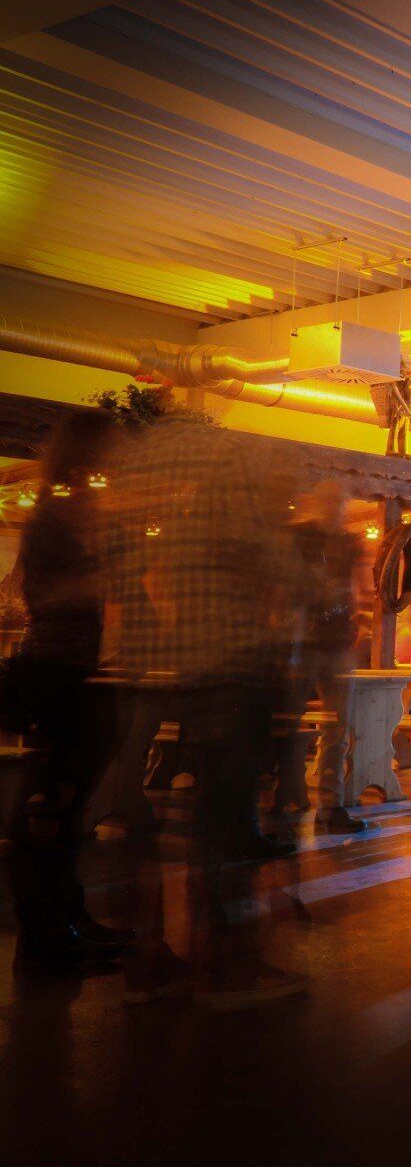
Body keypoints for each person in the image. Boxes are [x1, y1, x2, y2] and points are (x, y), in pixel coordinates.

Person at [105, 408, 304, 1006]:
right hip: (234, 673)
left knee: (201, 822)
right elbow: (283, 569)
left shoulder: (178, 516)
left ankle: (178, 961)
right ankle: (227, 969)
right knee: (227, 822)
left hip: (192, 674)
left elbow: (155, 582)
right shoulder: (235, 512)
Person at [6, 411, 131, 978]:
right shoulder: (51, 517)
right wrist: (102, 577)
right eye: (112, 451)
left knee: (68, 804)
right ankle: (45, 935)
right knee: (51, 805)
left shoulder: (81, 512)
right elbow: (44, 598)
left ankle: (67, 916)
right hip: (55, 674)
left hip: (76, 671)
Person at [295, 481, 368, 835]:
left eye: (341, 502)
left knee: (337, 728)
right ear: (319, 502)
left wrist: (356, 615)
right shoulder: (301, 538)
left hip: (336, 644)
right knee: (292, 724)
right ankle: (290, 798)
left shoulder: (348, 542)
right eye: (333, 501)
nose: (338, 508)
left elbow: (357, 586)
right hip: (304, 642)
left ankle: (330, 806)